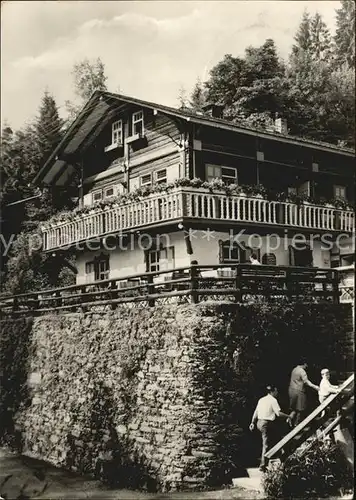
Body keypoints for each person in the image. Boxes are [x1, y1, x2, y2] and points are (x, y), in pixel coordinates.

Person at [249, 385, 292, 471]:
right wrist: (289, 416)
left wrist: (253, 422)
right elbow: (278, 414)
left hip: (260, 423)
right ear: (272, 392)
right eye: (276, 391)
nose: (277, 393)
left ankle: (282, 457)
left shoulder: (261, 400)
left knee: (276, 438)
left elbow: (256, 412)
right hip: (266, 424)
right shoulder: (273, 400)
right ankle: (262, 465)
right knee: (266, 444)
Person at [288, 360, 319, 427]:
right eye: (306, 365)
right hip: (299, 391)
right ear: (304, 364)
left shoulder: (294, 369)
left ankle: (289, 419)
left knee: (294, 408)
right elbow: (306, 382)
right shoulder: (302, 371)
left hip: (291, 390)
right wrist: (315, 387)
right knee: (300, 409)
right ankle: (297, 424)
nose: (306, 366)